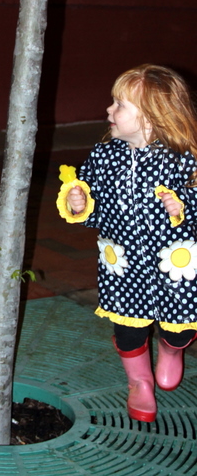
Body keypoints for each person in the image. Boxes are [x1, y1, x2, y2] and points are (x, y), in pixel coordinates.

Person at [57, 64, 197, 423]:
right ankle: (139, 383)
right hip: (122, 264)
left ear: (152, 116)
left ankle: (172, 349)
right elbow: (90, 198)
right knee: (128, 328)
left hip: (178, 265)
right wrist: (80, 202)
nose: (109, 110)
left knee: (181, 325)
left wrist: (184, 205)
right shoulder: (105, 155)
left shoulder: (185, 158)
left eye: (120, 104)